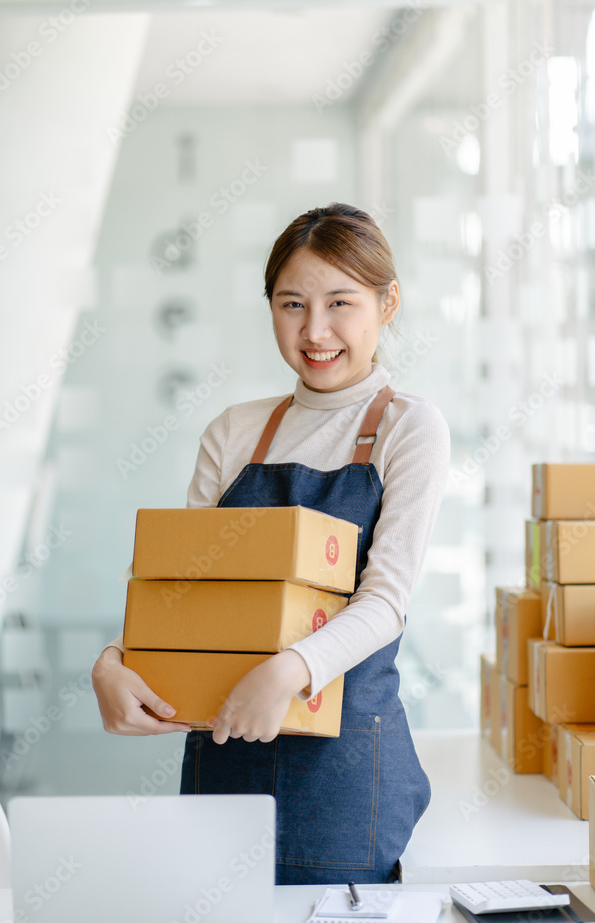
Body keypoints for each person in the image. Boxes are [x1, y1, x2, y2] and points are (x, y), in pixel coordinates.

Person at [92, 202, 450, 886]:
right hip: (225, 757)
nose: (314, 331)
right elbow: (180, 595)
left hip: (341, 775)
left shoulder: (411, 428)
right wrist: (114, 662)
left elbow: (384, 603)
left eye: (339, 302)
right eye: (291, 304)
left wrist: (287, 672)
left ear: (387, 302)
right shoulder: (233, 432)